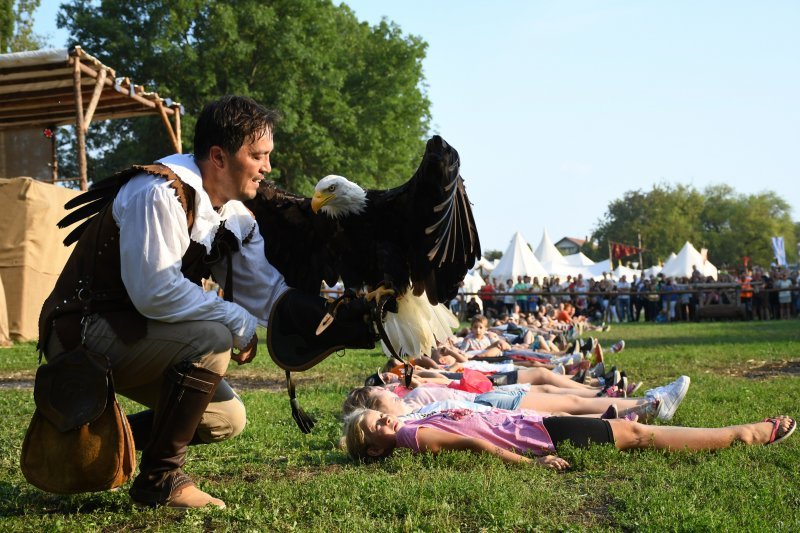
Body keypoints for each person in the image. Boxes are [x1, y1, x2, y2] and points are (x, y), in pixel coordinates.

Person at [35, 96, 374, 509]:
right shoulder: (158, 192)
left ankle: (98, 437)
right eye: (258, 156)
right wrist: (236, 321)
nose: (267, 167)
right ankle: (160, 480)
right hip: (83, 335)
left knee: (224, 419)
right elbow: (155, 291)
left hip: (136, 334)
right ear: (218, 156)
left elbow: (265, 292)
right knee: (213, 336)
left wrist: (327, 318)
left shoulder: (235, 215)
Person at [344, 408, 796, 466]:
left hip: (537, 423)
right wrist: (531, 465)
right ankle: (744, 435)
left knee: (633, 431)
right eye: (374, 426)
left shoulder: (410, 423)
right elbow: (476, 443)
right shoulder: (411, 435)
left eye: (377, 414)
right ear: (375, 448)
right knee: (640, 435)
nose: (384, 418)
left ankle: (740, 433)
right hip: (542, 437)